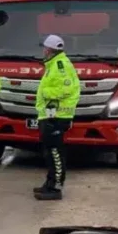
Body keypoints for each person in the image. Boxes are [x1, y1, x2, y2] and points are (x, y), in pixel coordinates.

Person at [33, 34, 79, 201]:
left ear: (50, 49)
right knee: (49, 152)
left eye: (45, 47)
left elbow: (66, 89)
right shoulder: (53, 64)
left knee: (55, 152)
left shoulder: (60, 65)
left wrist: (45, 93)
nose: (43, 50)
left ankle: (55, 187)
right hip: (50, 114)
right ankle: (49, 183)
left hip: (58, 115)